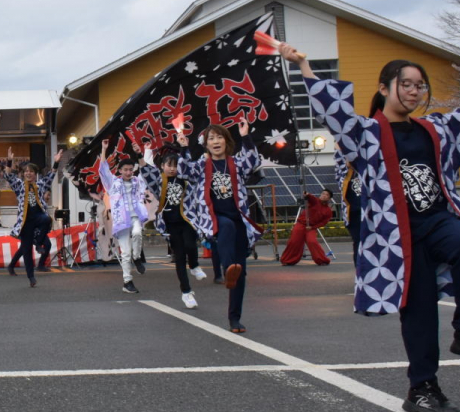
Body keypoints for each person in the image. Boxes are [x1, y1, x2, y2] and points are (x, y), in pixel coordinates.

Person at [291, 44, 460, 412]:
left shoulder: (438, 130)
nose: (414, 92)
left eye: (420, 86)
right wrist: (303, 65)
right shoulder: (365, 134)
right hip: (397, 239)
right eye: (406, 84)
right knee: (420, 313)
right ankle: (423, 389)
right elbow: (334, 113)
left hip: (439, 220)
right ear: (384, 89)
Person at [176, 119, 261, 333]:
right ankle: (225, 268)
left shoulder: (236, 163)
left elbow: (253, 160)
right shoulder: (202, 166)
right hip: (213, 218)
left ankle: (234, 319)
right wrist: (183, 146)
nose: (215, 141)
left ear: (226, 141)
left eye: (219, 137)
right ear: (206, 144)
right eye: (211, 138)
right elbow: (183, 170)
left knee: (240, 274)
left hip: (239, 218)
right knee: (227, 229)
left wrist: (246, 136)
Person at [140, 143, 207, 308]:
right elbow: (146, 171)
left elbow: (190, 167)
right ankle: (186, 292)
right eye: (169, 165)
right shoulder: (159, 180)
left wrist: (185, 148)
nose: (172, 169)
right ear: (162, 166)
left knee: (191, 246)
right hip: (170, 224)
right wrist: (139, 154)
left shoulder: (186, 179)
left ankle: (194, 265)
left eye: (176, 166)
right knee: (179, 257)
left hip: (188, 220)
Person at [96, 140, 148, 294]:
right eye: (125, 169)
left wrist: (141, 153)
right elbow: (103, 170)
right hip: (121, 220)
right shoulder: (114, 183)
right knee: (125, 252)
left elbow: (147, 173)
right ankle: (127, 282)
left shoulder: (138, 181)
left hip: (135, 217)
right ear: (120, 170)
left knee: (138, 233)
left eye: (131, 169)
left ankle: (137, 257)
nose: (128, 172)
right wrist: (104, 149)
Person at [2, 150, 60, 286]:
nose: (28, 173)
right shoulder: (19, 185)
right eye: (26, 171)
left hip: (38, 216)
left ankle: (39, 243)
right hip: (25, 221)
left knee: (47, 219)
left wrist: (56, 162)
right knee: (26, 250)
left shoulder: (40, 185)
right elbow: (7, 175)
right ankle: (31, 277)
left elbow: (51, 175)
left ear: (35, 174)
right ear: (23, 174)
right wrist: (9, 161)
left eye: (31, 171)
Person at [280, 190, 334, 266]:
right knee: (294, 241)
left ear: (329, 198)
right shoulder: (315, 201)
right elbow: (311, 198)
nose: (324, 195)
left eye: (326, 195)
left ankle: (322, 260)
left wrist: (313, 227)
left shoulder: (328, 211)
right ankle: (287, 260)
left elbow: (323, 222)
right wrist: (307, 194)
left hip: (311, 228)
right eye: (323, 194)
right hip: (301, 224)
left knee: (312, 241)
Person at [333, 142, 363, 263]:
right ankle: (361, 274)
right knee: (359, 242)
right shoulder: (344, 174)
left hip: (371, 209)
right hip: (354, 210)